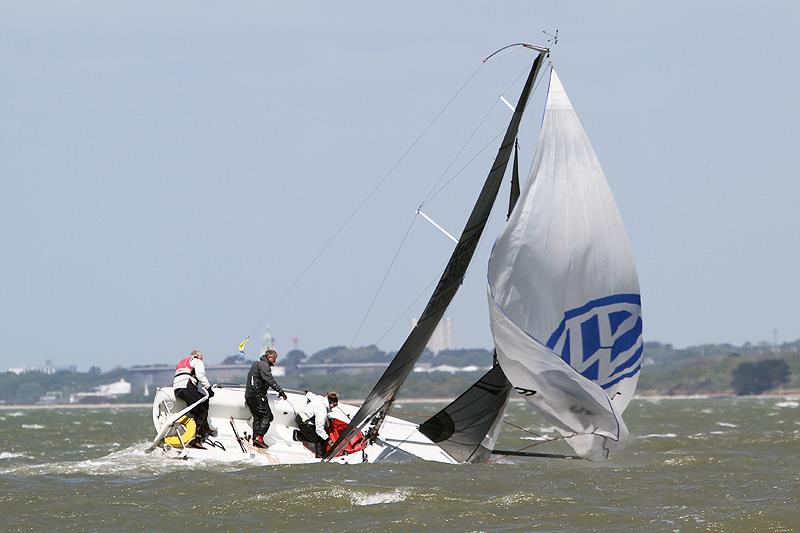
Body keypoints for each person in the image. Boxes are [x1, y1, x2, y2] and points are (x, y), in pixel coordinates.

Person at [245, 349, 287, 448]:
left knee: (258, 417)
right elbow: (269, 379)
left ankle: (255, 440)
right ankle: (259, 438)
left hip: (249, 395)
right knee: (267, 416)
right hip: (257, 395)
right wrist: (280, 391)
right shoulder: (264, 365)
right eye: (274, 359)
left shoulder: (256, 364)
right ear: (270, 357)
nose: (275, 362)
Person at [173, 350, 214, 449]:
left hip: (177, 388)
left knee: (203, 401)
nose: (202, 360)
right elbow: (200, 375)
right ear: (197, 356)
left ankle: (205, 427)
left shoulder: (182, 361)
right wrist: (209, 388)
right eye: (201, 358)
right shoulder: (196, 361)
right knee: (200, 411)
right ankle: (197, 439)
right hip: (187, 385)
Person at [296, 391, 338, 458]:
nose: (334, 407)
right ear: (330, 403)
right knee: (319, 439)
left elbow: (309, 395)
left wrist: (307, 392)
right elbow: (319, 430)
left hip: (300, 417)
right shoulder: (322, 411)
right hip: (304, 422)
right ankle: (320, 456)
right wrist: (328, 440)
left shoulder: (320, 398)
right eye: (334, 405)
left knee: (320, 435)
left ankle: (302, 434)